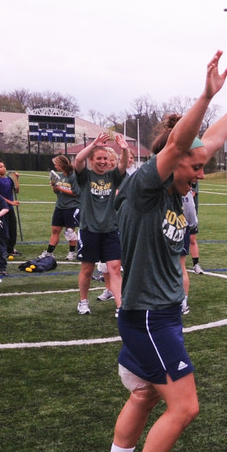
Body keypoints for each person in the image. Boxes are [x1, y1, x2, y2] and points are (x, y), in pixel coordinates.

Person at [91, 51, 227, 452]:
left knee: (143, 395)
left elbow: (209, 140)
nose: (200, 175)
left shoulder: (177, 191)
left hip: (157, 313)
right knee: (185, 406)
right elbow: (182, 143)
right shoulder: (146, 186)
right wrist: (205, 94)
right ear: (172, 160)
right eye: (195, 168)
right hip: (148, 317)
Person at [73, 132, 130, 315]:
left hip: (110, 230)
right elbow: (78, 160)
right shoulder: (85, 176)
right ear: (92, 160)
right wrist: (93, 144)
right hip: (89, 229)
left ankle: (120, 306)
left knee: (114, 269)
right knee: (88, 269)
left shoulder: (112, 176)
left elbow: (122, 165)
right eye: (99, 158)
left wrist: (125, 149)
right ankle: (83, 301)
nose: (103, 161)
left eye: (105, 158)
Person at [38, 155, 80, 261]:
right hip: (60, 206)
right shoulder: (59, 176)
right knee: (55, 230)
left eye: (56, 164)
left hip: (71, 207)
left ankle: (71, 253)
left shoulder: (74, 176)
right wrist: (54, 187)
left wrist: (60, 188)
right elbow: (57, 192)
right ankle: (49, 252)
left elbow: (76, 193)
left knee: (69, 230)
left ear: (61, 164)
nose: (55, 166)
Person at [0, 159, 21, 258]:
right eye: (0, 167)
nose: (3, 168)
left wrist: (16, 179)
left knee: (12, 228)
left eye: (3, 166)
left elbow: (16, 190)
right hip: (2, 209)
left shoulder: (8, 179)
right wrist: (11, 202)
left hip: (10, 208)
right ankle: (3, 249)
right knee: (4, 229)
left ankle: (11, 248)